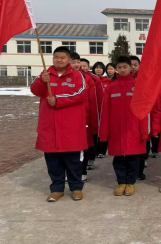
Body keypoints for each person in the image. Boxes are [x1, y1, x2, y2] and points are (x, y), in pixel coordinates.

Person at [31, 46, 88, 202]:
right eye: (56, 57)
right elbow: (35, 90)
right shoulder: (46, 74)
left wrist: (58, 101)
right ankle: (57, 189)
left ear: (69, 60)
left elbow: (81, 94)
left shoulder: (77, 76)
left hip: (70, 126)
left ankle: (76, 188)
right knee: (53, 160)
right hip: (50, 125)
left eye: (63, 58)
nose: (59, 60)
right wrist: (42, 82)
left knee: (73, 160)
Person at [99, 56, 149, 196]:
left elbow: (144, 111)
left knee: (133, 158)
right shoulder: (111, 87)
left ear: (130, 68)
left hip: (133, 129)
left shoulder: (138, 86)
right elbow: (105, 112)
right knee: (119, 159)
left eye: (125, 67)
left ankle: (131, 183)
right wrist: (104, 133)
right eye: (119, 67)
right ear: (116, 69)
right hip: (116, 130)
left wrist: (144, 131)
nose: (122, 70)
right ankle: (121, 182)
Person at [70, 53, 98, 182]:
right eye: (73, 62)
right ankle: (69, 171)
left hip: (84, 118)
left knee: (83, 146)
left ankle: (82, 171)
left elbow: (93, 101)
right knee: (69, 147)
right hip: (67, 119)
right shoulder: (61, 78)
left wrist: (94, 122)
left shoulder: (87, 79)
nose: (76, 65)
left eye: (78, 62)